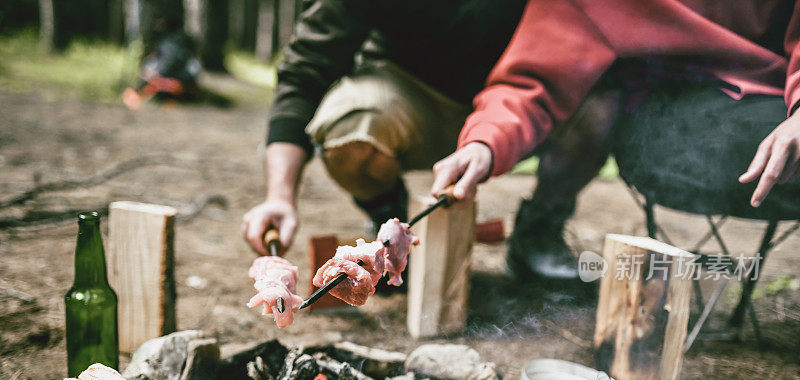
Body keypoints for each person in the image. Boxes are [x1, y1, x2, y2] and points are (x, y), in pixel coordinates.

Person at [241, 0, 613, 279]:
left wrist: (490, 134)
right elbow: (306, 70)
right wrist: (279, 196)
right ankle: (388, 226)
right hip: (411, 93)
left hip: (525, 101)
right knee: (348, 127)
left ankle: (539, 230)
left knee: (606, 99)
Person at [432, 0, 800, 261]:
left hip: (778, 99)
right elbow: (530, 80)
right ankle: (540, 227)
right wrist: (484, 142)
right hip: (661, 125)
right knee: (599, 95)